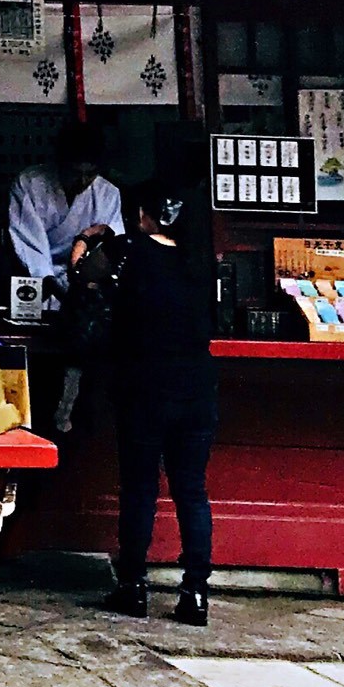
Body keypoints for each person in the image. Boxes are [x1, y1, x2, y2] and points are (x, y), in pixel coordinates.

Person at [96, 174, 218, 625]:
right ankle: (196, 593)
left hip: (145, 385)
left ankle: (133, 585)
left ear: (144, 213)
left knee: (141, 488)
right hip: (196, 386)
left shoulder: (130, 254)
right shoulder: (197, 261)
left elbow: (93, 287)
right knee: (192, 490)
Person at [7, 120, 123, 291]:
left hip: (85, 280)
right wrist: (48, 281)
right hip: (36, 279)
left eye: (90, 174)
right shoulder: (29, 183)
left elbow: (110, 246)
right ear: (60, 164)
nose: (83, 181)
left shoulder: (108, 193)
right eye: (75, 173)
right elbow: (29, 243)